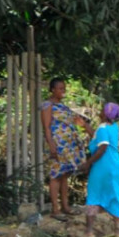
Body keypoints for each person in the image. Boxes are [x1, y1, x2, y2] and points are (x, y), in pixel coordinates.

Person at [41, 78, 90, 220]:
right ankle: (55, 209)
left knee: (64, 175)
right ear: (52, 89)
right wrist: (51, 145)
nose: (63, 91)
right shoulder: (47, 105)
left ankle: (65, 206)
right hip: (57, 145)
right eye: (60, 89)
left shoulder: (61, 105)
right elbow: (47, 127)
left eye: (64, 88)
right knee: (55, 175)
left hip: (68, 147)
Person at [79, 102, 119, 237]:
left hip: (102, 165)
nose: (100, 112)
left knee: (94, 194)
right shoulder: (113, 127)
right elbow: (98, 137)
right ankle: (118, 229)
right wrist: (85, 126)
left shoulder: (103, 128)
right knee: (115, 193)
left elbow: (102, 147)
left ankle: (89, 231)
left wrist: (88, 163)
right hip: (114, 165)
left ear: (105, 114)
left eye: (102, 111)